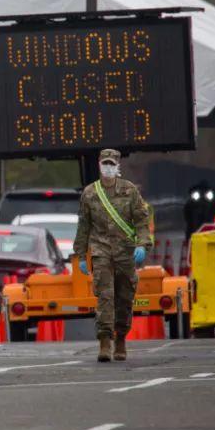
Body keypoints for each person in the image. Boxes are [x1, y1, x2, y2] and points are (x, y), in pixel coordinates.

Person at [72, 149, 152, 363]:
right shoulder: (90, 193)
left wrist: (142, 244)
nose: (107, 167)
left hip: (125, 252)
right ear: (99, 164)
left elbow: (142, 222)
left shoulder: (130, 191)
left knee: (124, 297)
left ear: (117, 166)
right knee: (105, 296)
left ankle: (121, 338)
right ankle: (105, 341)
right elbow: (84, 226)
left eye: (111, 163)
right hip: (101, 251)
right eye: (104, 163)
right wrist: (80, 255)